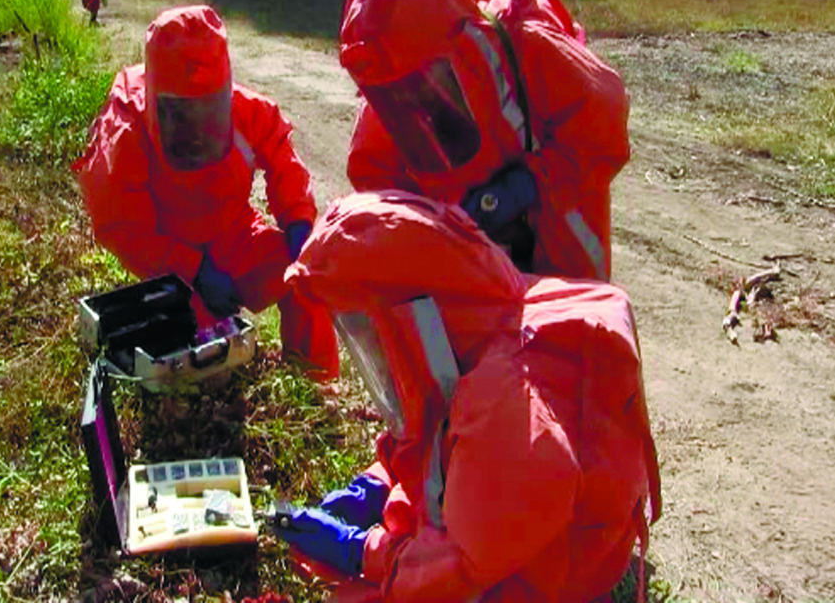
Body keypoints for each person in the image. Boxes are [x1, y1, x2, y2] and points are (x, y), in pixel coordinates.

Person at [274, 190, 661, 602]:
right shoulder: (478, 323)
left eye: (371, 329)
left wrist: (360, 552)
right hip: (510, 545)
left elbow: (462, 564)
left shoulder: (503, 398)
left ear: (415, 310)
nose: (374, 350)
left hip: (541, 581)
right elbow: (443, 445)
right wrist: (377, 483)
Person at [72, 5, 340, 381]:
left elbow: (282, 155)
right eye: (182, 116)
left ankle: (314, 385)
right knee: (205, 362)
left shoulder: (246, 111)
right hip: (172, 262)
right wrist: (194, 270)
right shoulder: (125, 134)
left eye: (208, 111)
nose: (197, 132)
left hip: (233, 234)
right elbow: (124, 230)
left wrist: (298, 226)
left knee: (305, 282)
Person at [340, 0, 630, 280]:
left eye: (424, 85)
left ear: (460, 45)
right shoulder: (392, 74)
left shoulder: (523, 38)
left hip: (554, 182)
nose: (413, 98)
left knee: (573, 298)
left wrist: (529, 183)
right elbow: (373, 172)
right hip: (469, 213)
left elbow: (602, 119)